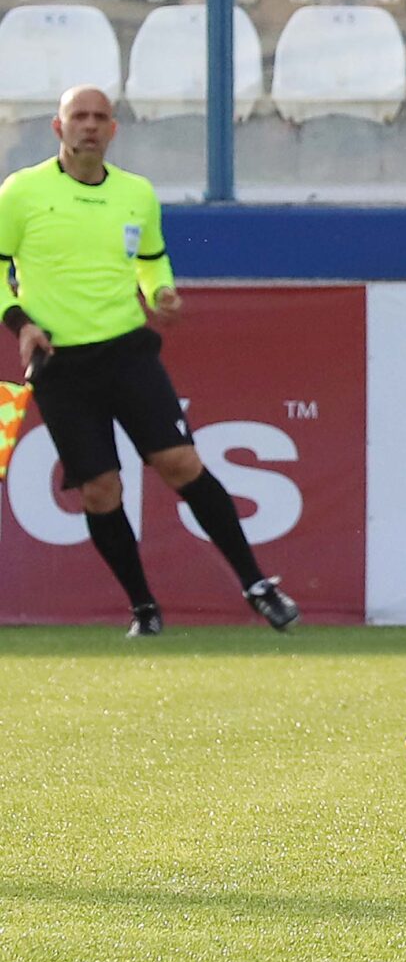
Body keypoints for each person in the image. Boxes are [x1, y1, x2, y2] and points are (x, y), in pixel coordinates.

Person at [0, 86, 298, 637]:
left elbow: (152, 261)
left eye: (100, 117)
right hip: (60, 362)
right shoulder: (21, 192)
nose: (90, 125)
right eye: (79, 116)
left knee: (180, 462)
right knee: (100, 490)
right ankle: (143, 608)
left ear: (114, 129)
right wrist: (21, 323)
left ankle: (258, 585)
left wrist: (161, 292)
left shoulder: (136, 193)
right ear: (58, 127)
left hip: (125, 351)